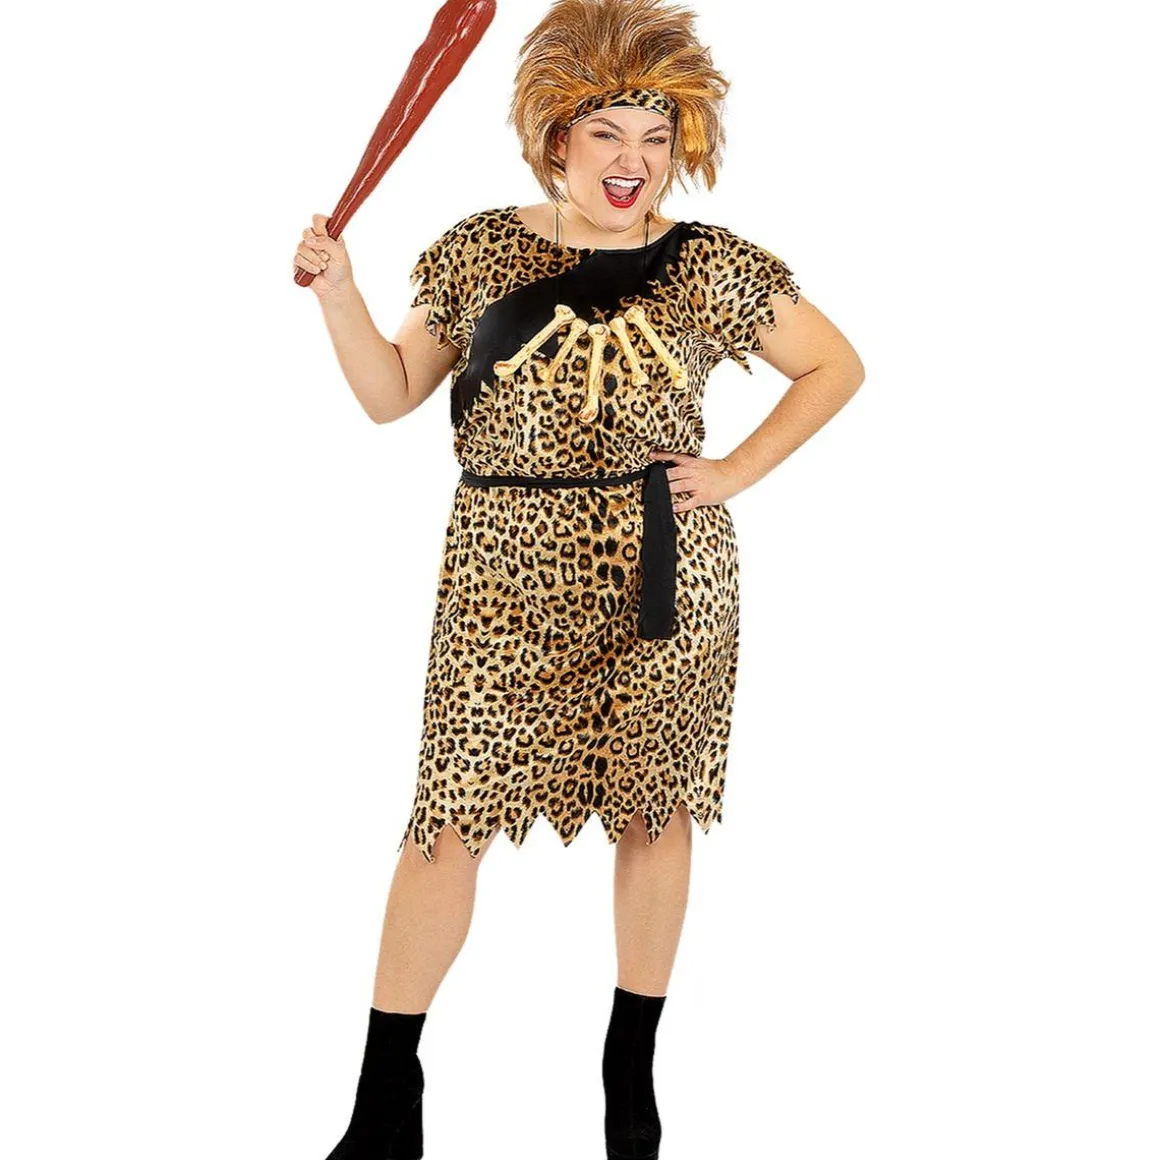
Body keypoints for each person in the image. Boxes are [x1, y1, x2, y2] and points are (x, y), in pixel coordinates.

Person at [293, 0, 864, 1156]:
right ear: (556, 137)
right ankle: (385, 1092)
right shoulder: (479, 250)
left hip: (662, 571)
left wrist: (731, 471)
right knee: (446, 817)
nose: (632, 161)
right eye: (607, 133)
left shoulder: (707, 263)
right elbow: (390, 393)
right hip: (499, 573)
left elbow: (833, 365)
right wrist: (339, 291)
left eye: (653, 137)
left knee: (655, 808)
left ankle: (627, 1069)